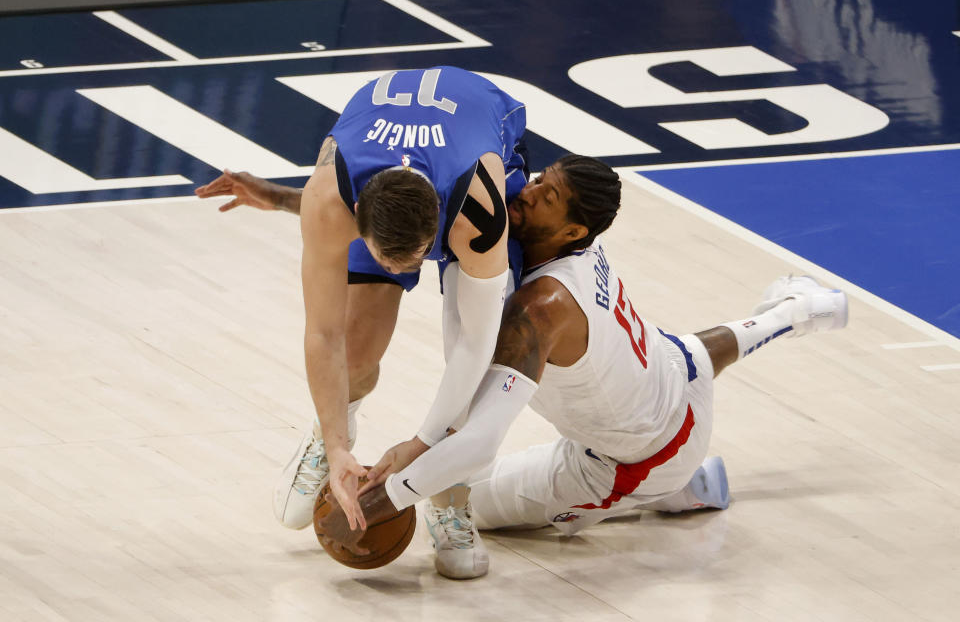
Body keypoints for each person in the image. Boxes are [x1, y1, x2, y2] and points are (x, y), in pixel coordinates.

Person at [317, 154, 849, 579]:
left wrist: (385, 498)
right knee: (675, 358)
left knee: (464, 498)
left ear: (572, 230)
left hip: (635, 460)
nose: (526, 193)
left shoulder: (539, 310)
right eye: (539, 180)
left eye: (546, 197)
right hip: (677, 371)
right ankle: (802, 310)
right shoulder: (566, 247)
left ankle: (676, 488)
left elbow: (479, 438)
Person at [195, 67, 528, 532]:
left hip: (478, 144)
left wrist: (423, 442)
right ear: (357, 220)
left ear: (437, 231)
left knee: (472, 357)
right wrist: (336, 448)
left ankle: (451, 498)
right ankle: (328, 436)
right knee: (354, 353)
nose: (399, 272)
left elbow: (476, 344)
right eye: (385, 261)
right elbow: (322, 334)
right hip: (395, 172)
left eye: (411, 261)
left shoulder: (477, 210)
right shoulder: (329, 197)